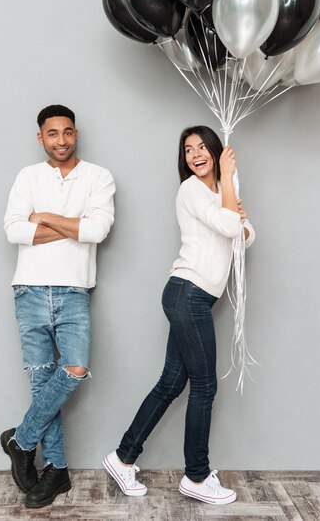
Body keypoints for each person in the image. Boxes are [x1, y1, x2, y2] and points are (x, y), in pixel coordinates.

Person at [103, 125, 254, 506]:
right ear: (184, 159)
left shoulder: (218, 192)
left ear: (217, 150)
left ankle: (122, 458)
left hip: (191, 297)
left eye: (203, 147)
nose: (196, 154)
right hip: (189, 294)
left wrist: (230, 194)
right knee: (204, 387)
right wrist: (230, 186)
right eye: (189, 150)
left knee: (172, 383)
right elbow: (231, 225)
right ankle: (197, 477)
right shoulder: (190, 190)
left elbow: (246, 235)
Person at [1, 104, 115, 508]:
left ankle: (21, 439)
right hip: (29, 291)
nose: (61, 141)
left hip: (73, 291)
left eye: (67, 133)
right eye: (53, 134)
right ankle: (57, 471)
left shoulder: (98, 176)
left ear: (76, 134)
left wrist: (45, 218)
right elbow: (14, 229)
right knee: (41, 383)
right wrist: (72, 227)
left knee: (75, 368)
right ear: (41, 138)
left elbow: (97, 230)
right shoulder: (27, 176)